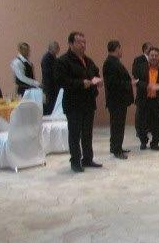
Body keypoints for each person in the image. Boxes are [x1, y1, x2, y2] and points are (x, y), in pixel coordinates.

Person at [56, 31, 102, 172]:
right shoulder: (63, 61)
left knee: (87, 133)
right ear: (70, 44)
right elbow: (61, 81)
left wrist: (97, 80)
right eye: (79, 42)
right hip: (74, 103)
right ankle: (75, 161)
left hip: (88, 101)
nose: (83, 45)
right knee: (75, 134)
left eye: (84, 42)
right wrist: (81, 83)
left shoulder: (88, 60)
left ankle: (87, 158)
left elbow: (95, 73)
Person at [133, 47, 159, 151]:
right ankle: (143, 141)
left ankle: (155, 143)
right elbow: (136, 81)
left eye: (156, 55)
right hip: (143, 100)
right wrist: (147, 85)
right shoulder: (140, 67)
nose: (154, 57)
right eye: (152, 55)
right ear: (148, 56)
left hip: (158, 101)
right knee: (140, 123)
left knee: (158, 124)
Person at [102, 40, 134, 159]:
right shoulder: (110, 63)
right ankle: (116, 150)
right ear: (116, 48)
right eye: (120, 48)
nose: (121, 51)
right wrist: (129, 83)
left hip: (119, 100)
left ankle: (117, 146)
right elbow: (113, 83)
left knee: (118, 125)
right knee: (117, 125)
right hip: (116, 100)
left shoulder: (114, 62)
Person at [41, 41, 61, 115]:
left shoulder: (53, 57)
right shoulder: (47, 58)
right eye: (57, 47)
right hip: (50, 87)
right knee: (50, 105)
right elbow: (49, 74)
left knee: (53, 104)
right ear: (52, 48)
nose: (58, 49)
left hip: (53, 86)